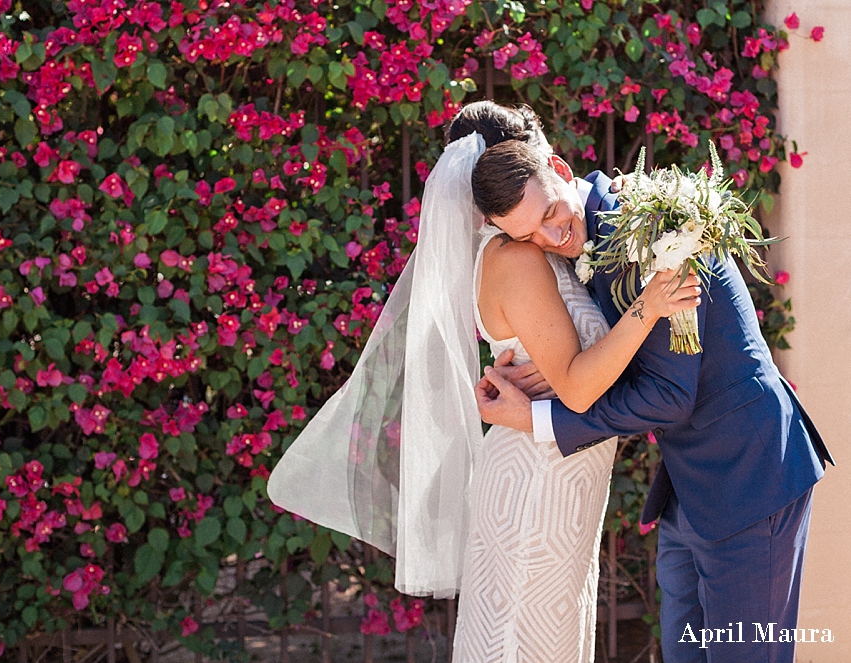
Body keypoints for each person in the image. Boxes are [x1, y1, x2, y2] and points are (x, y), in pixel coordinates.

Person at [267, 101, 699, 662]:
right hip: (536, 484)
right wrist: (649, 306)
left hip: (561, 475)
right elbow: (577, 386)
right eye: (535, 146)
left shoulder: (538, 244)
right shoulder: (515, 257)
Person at [472, 132, 834, 663]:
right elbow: (612, 352)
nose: (552, 236)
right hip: (691, 487)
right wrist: (535, 369)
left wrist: (540, 418)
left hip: (749, 477)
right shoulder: (586, 234)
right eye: (531, 235)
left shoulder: (655, 231)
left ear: (561, 167)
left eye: (551, 212)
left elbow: (668, 395)